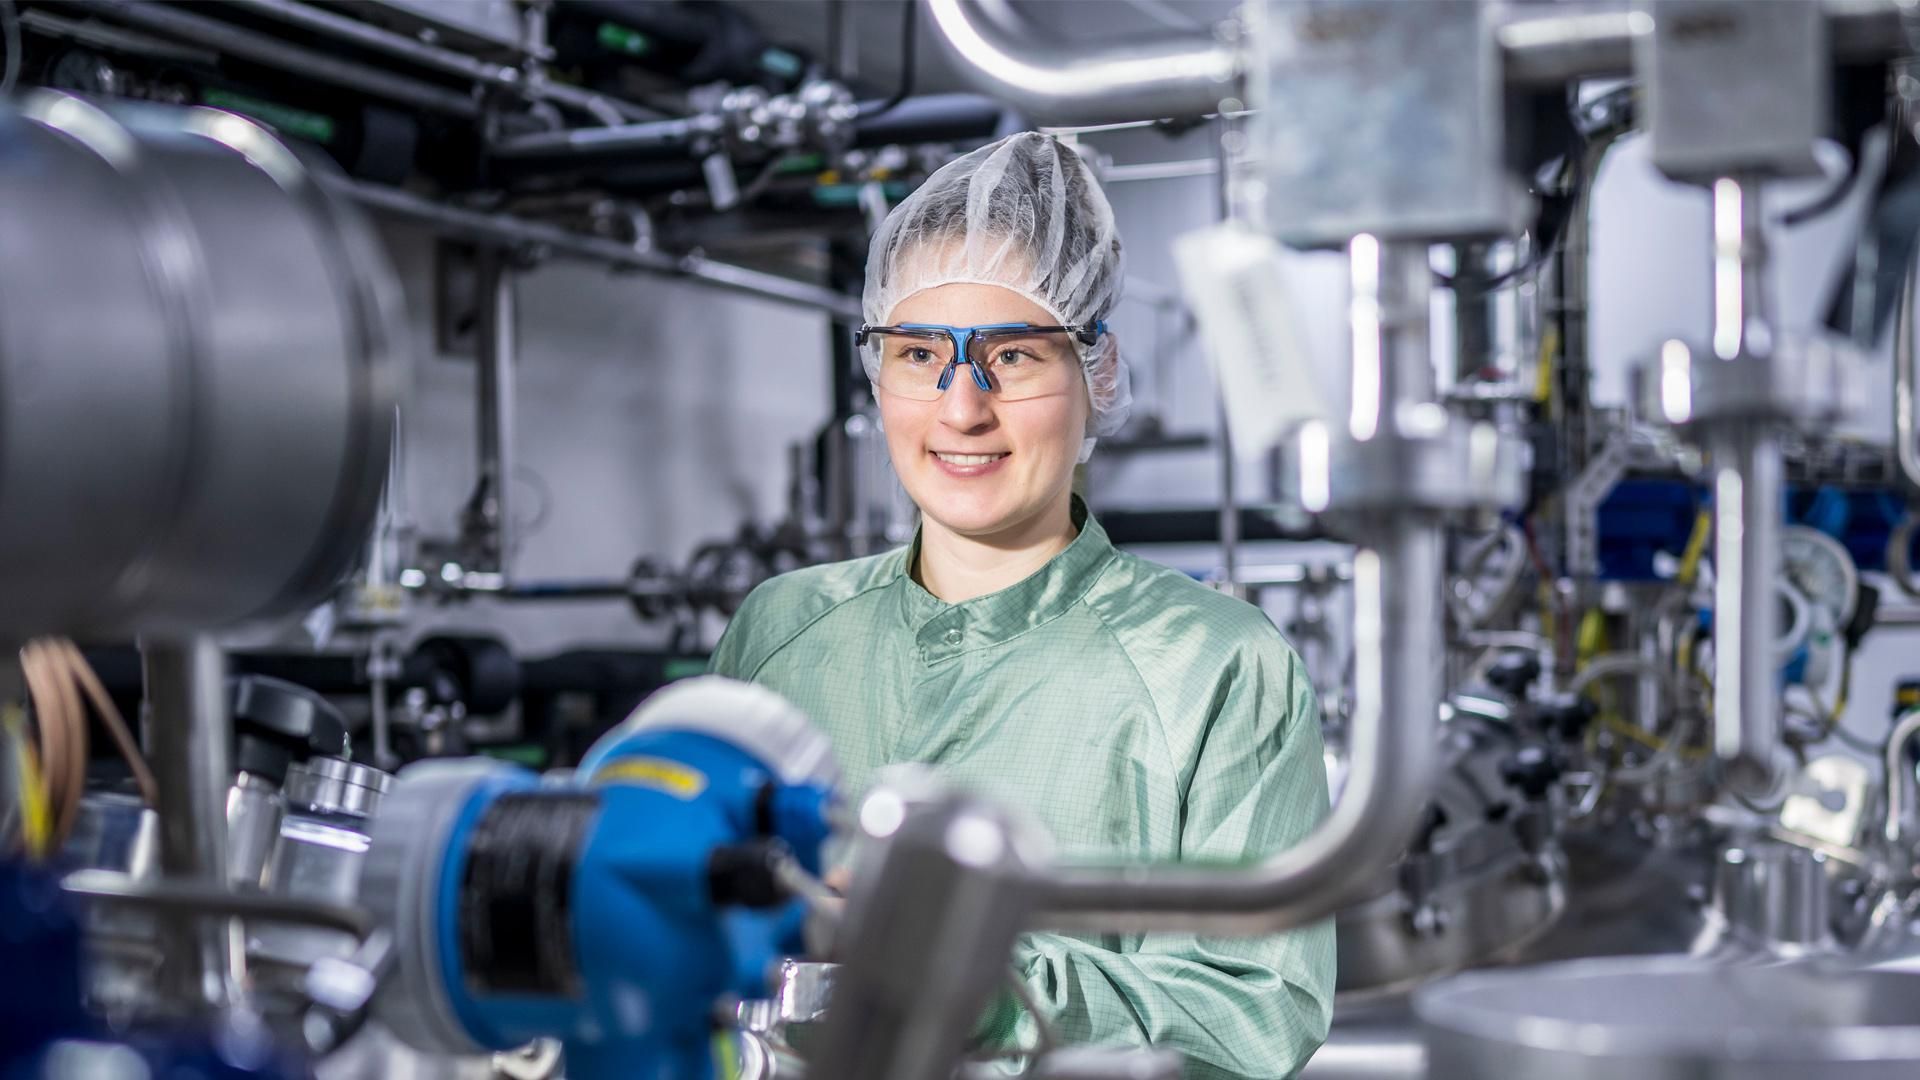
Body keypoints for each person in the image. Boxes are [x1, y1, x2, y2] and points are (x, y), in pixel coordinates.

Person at [709, 131, 1333, 1079]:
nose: (962, 408)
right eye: (921, 354)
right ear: (877, 374)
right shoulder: (781, 632)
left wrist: (978, 987)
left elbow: (1254, 1012)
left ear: (1097, 375)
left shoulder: (1216, 664)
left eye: (1013, 356)